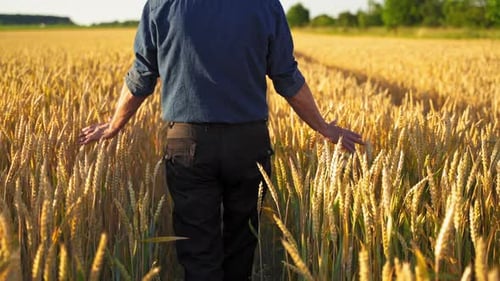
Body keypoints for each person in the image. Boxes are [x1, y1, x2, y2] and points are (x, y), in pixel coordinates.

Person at [78, 0, 363, 280]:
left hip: (188, 144)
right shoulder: (264, 5)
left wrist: (114, 126)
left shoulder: (160, 5)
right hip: (249, 143)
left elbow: (142, 76)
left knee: (198, 253)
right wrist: (323, 127)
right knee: (242, 247)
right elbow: (286, 76)